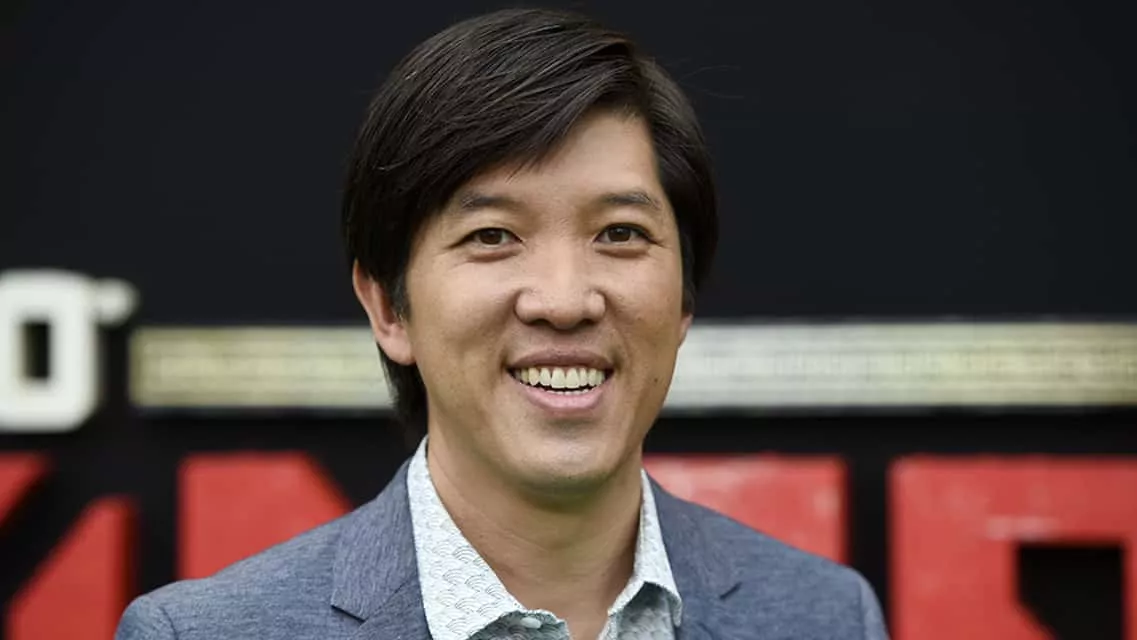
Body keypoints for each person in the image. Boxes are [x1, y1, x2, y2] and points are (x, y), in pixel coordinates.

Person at [116, 8, 888, 640]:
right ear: (388, 307)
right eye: (492, 236)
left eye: (619, 233)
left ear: (683, 298)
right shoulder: (202, 634)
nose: (563, 300)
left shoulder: (824, 617)